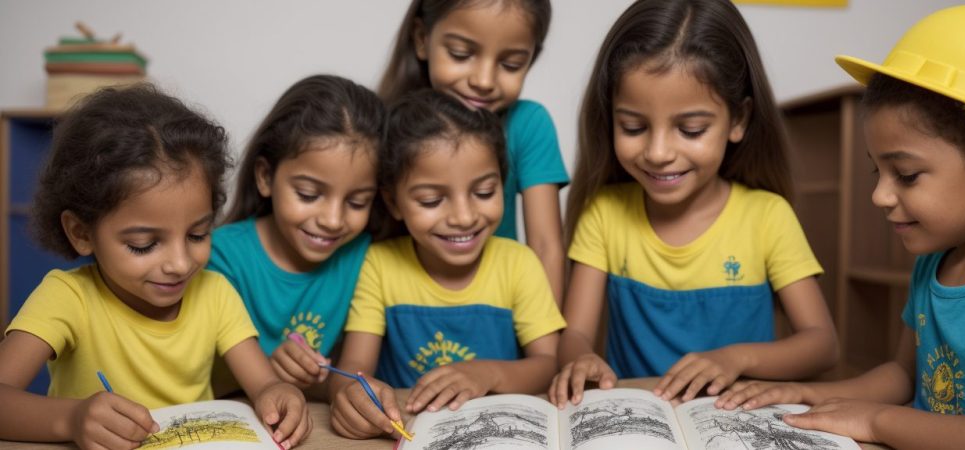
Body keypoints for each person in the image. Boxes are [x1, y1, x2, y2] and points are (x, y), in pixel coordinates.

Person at [715, 5, 965, 449]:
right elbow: (902, 375)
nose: (880, 196)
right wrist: (809, 393)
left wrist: (878, 423)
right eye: (876, 173)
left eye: (905, 175)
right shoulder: (933, 262)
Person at [549, 0, 839, 409]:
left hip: (736, 418)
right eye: (633, 127)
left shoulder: (767, 216)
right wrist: (580, 360)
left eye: (690, 129)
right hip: (636, 418)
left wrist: (736, 358)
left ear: (738, 120)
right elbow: (575, 334)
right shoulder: (605, 212)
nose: (659, 152)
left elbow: (823, 345)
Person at [0, 84, 310, 448]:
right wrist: (73, 419)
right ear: (81, 232)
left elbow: (266, 384)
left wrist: (281, 394)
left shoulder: (215, 293)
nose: (180, 264)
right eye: (143, 245)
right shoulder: (67, 298)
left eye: (197, 234)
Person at [329, 89, 566, 440]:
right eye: (432, 199)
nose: (464, 216)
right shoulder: (379, 265)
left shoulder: (519, 264)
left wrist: (487, 375)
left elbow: (548, 364)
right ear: (394, 202)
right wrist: (351, 393)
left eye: (484, 192)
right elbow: (353, 368)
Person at [378, 0, 569, 304]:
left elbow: (546, 246)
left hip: (501, 312)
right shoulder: (385, 125)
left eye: (510, 65)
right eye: (461, 54)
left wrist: (544, 337)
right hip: (404, 313)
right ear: (422, 38)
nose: (483, 81)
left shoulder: (527, 124)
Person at [208, 74, 385, 398]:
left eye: (357, 202)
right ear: (265, 177)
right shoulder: (219, 257)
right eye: (307, 194)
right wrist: (265, 373)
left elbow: (344, 382)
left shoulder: (367, 258)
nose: (333, 220)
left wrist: (316, 381)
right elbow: (197, 383)